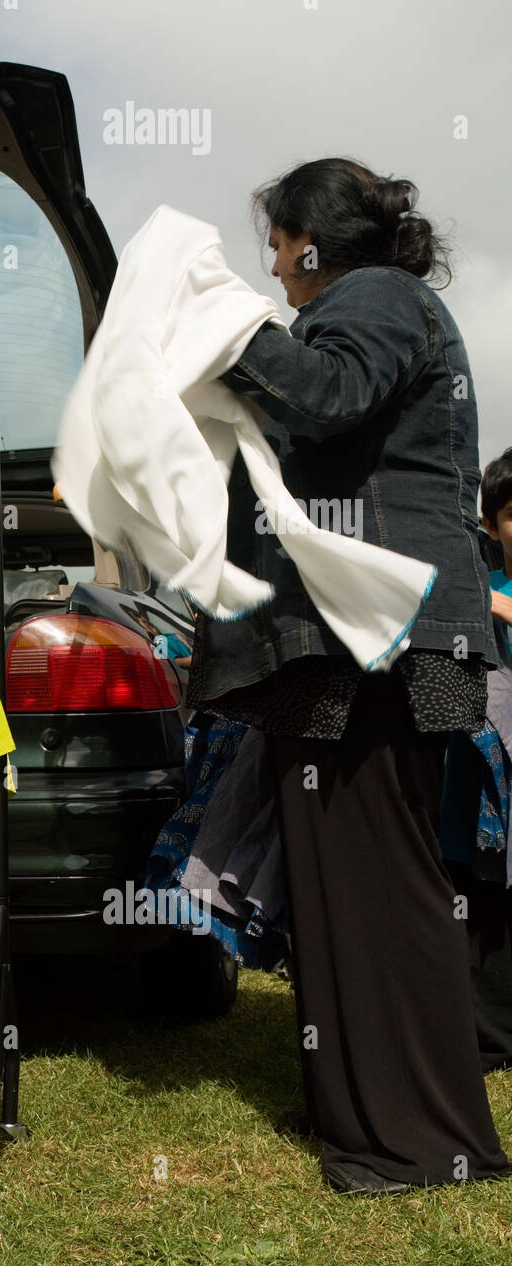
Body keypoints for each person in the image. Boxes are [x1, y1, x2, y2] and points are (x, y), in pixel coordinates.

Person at [185, 157, 510, 1194]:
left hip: (377, 643)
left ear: (314, 239)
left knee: (375, 878)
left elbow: (324, 396)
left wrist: (215, 327)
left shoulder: (374, 296)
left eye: (278, 246)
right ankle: (370, 1109)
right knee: (351, 881)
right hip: (371, 641)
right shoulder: (385, 304)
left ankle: (413, 1138)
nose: (274, 269)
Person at [440, 448, 512, 1072]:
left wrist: (488, 600)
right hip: (477, 791)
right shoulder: (476, 588)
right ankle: (488, 1041)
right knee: (480, 914)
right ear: (491, 526)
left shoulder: (486, 596)